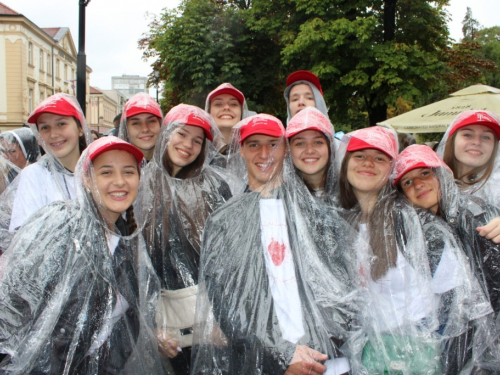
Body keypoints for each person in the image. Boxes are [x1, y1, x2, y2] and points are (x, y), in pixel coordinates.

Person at [191, 114, 361, 375]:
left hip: (328, 360)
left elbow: (341, 285)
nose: (264, 153)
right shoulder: (223, 221)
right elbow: (226, 303)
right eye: (254, 144)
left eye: (273, 144)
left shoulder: (317, 212)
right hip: (264, 362)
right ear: (242, 152)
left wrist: (315, 352)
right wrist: (283, 354)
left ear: (285, 149)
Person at [0, 136, 163, 374]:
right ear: (86, 179)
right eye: (106, 173)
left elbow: (124, 325)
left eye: (128, 172)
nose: (119, 182)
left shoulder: (129, 240)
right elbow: (14, 306)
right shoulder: (57, 224)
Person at [336, 126, 490, 374]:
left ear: (390, 169)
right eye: (359, 155)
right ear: (345, 164)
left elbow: (457, 307)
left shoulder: (416, 224)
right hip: (368, 351)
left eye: (379, 157)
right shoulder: (340, 223)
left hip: (418, 348)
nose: (368, 163)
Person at [137, 104, 232, 374]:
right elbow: (136, 264)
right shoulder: (141, 183)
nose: (188, 145)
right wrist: (151, 325)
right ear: (167, 133)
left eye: (197, 140)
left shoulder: (215, 186)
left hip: (211, 320)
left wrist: (221, 318)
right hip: (165, 321)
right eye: (181, 134)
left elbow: (227, 260)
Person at [393, 144, 500, 372]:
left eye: (425, 173)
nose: (419, 184)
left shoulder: (476, 215)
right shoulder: (416, 232)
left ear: (442, 174)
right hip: (454, 348)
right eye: (407, 182)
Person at [0, 94, 92, 254]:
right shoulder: (34, 176)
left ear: (79, 129)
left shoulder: (98, 171)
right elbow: (25, 238)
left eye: (61, 124)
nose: (53, 134)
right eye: (45, 127)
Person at [437, 110, 500, 208]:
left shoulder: (496, 189)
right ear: (452, 140)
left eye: (486, 137)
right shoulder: (430, 183)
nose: (477, 142)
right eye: (468, 135)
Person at [285, 107, 336, 201]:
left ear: (330, 147)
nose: (309, 150)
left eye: (318, 142)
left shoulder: (350, 192)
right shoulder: (281, 196)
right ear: (288, 149)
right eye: (300, 144)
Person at [205, 83, 249, 168]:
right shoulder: (196, 150)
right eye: (218, 104)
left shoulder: (253, 151)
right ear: (208, 112)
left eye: (233, 104)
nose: (226, 107)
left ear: (242, 113)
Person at [118, 93, 162, 162]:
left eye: (151, 121)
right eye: (136, 123)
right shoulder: (117, 167)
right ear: (126, 129)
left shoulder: (176, 165)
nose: (145, 129)